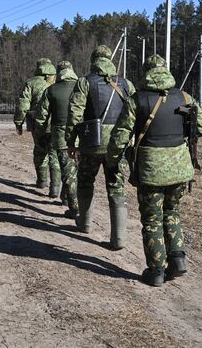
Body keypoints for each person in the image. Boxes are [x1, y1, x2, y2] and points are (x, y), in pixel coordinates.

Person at [106, 54, 202, 286]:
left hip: (151, 170)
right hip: (181, 169)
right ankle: (178, 259)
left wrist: (113, 161)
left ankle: (156, 272)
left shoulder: (137, 100)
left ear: (147, 73)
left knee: (152, 219)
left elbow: (120, 137)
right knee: (172, 212)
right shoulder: (184, 96)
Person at [65, 45, 135, 250]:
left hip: (91, 143)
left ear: (94, 60)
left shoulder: (85, 82)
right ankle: (119, 239)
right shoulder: (126, 83)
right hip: (117, 144)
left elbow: (75, 114)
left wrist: (72, 142)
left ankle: (85, 224)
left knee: (85, 180)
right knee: (116, 186)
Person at [35, 61, 79, 218]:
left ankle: (75, 209)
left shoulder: (51, 90)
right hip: (85, 135)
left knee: (67, 171)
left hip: (61, 136)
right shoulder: (83, 86)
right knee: (80, 171)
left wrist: (40, 134)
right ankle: (68, 199)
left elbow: (41, 117)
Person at [14, 58, 61, 197]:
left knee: (40, 152)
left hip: (37, 124)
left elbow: (23, 105)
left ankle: (41, 181)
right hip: (56, 124)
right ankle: (55, 188)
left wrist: (18, 122)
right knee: (54, 155)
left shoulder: (31, 83)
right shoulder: (58, 83)